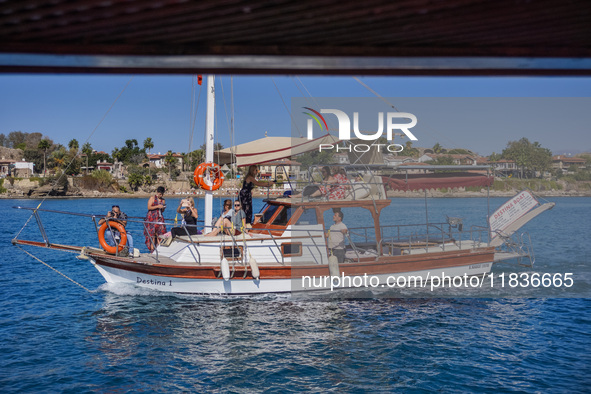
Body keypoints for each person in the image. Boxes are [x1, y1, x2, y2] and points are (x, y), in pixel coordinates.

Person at [144, 186, 167, 251]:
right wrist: (157, 206)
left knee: (160, 234)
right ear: (157, 192)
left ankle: (160, 249)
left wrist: (163, 208)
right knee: (152, 234)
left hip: (159, 218)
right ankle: (152, 249)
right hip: (152, 218)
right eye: (160, 194)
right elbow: (149, 207)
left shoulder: (163, 200)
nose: (161, 195)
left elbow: (162, 211)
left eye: (162, 194)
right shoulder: (152, 198)